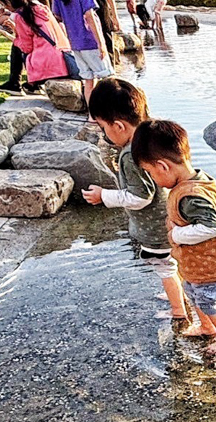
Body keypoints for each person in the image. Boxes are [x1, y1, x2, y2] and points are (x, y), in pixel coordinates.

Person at [81, 79, 188, 321]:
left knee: (164, 268)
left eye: (103, 128)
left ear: (118, 126)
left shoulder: (131, 155)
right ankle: (180, 295)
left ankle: (178, 310)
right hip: (170, 217)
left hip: (156, 226)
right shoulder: (151, 136)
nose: (105, 135)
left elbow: (141, 196)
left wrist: (104, 196)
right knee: (173, 263)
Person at [132, 120, 216, 355]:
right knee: (192, 292)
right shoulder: (202, 179)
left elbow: (212, 228)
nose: (153, 179)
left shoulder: (189, 196)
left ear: (163, 166)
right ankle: (206, 327)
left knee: (208, 302)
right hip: (199, 264)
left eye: (150, 173)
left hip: (212, 266)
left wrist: (177, 233)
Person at [50, 0, 113, 111]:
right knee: (106, 78)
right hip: (90, 41)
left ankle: (92, 115)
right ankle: (110, 112)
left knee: (88, 80)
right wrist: (100, 42)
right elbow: (89, 16)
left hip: (75, 42)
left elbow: (57, 16)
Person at [10, 0, 72, 85]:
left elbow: (26, 48)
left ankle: (17, 83)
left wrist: (16, 38)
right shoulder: (44, 9)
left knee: (19, 51)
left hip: (43, 65)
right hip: (62, 60)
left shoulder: (20, 16)